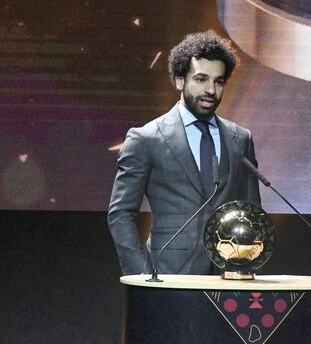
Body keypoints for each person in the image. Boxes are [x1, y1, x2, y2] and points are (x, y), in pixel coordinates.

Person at [108, 30, 261, 276]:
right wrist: (141, 274)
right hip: (168, 276)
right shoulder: (146, 139)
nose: (210, 89)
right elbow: (120, 214)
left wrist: (246, 267)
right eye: (201, 79)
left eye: (218, 81)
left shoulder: (240, 139)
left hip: (231, 279)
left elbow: (251, 211)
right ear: (179, 80)